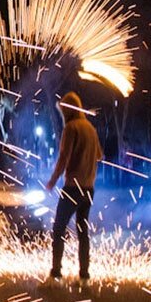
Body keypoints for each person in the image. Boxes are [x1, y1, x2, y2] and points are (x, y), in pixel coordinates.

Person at [43, 92, 103, 287]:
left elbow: (63, 158)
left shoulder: (71, 127)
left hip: (72, 188)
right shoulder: (90, 128)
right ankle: (84, 276)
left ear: (68, 109)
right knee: (82, 231)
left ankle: (55, 275)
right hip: (88, 188)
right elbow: (100, 156)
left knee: (58, 229)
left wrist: (52, 180)